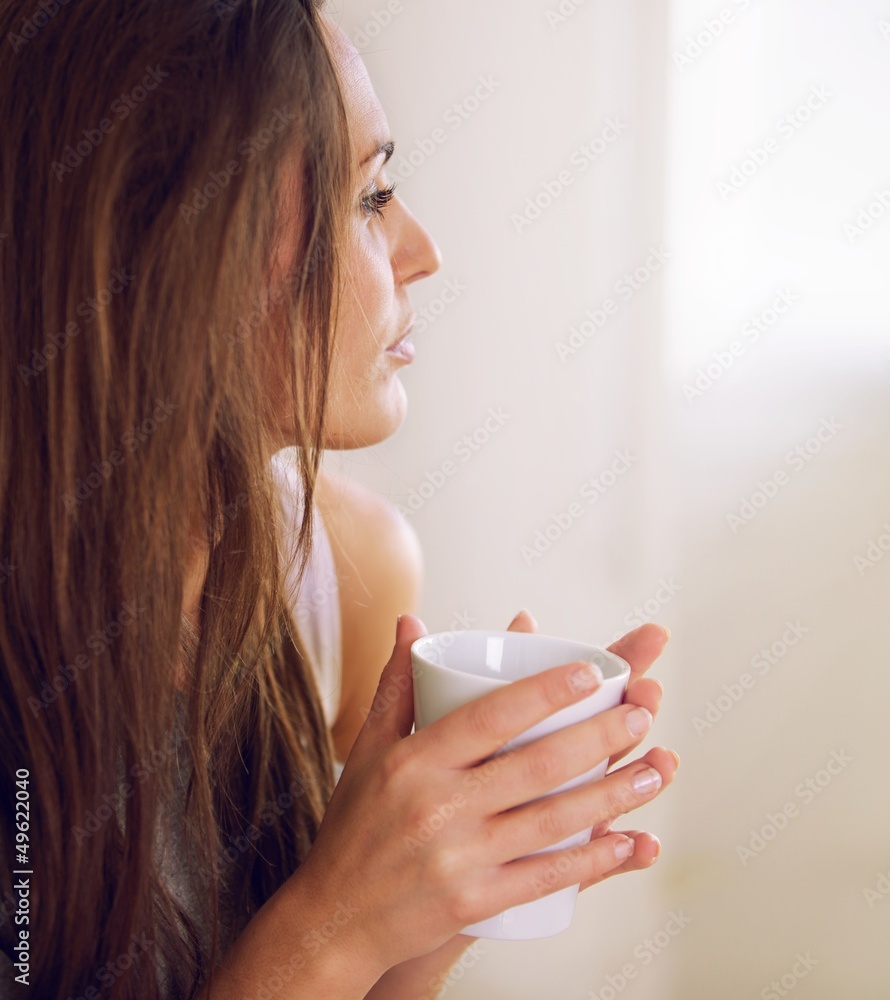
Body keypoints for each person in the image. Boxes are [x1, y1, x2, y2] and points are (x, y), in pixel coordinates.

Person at [0, 1, 679, 997]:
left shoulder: (343, 577)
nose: (423, 250)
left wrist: (425, 912)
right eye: (372, 195)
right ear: (169, 247)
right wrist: (334, 922)